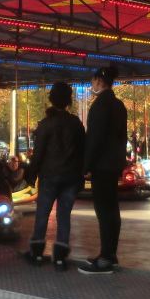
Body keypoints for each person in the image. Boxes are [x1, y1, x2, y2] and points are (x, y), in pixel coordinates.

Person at [24, 82, 85, 271]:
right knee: (64, 216)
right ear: (68, 101)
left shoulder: (45, 124)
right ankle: (60, 257)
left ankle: (36, 253)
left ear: (51, 99)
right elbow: (82, 151)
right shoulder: (76, 124)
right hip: (71, 176)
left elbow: (38, 153)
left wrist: (31, 174)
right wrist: (82, 174)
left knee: (42, 214)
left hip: (49, 175)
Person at [79, 65, 128, 276]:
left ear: (99, 81)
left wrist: (86, 165)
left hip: (101, 165)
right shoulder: (118, 105)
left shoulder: (100, 105)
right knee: (112, 209)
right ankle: (109, 254)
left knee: (104, 211)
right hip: (114, 164)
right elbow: (122, 138)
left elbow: (94, 139)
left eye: (93, 81)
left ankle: (105, 258)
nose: (91, 84)